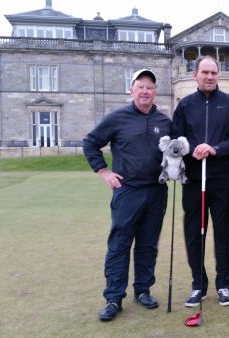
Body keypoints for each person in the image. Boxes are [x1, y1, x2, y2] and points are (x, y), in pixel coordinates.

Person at [83, 69, 171, 321]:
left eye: (150, 87)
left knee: (148, 244)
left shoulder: (164, 122)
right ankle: (113, 297)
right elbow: (90, 142)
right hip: (127, 191)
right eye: (140, 86)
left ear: (155, 92)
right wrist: (103, 171)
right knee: (120, 244)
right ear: (132, 90)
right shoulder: (117, 118)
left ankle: (143, 290)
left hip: (156, 191)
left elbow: (174, 150)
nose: (145, 91)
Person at [171, 55, 229, 307]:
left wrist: (214, 148)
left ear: (218, 75)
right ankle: (198, 285)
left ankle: (223, 284)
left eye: (214, 73)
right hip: (193, 179)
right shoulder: (185, 105)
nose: (210, 77)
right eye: (205, 72)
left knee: (223, 233)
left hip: (222, 179)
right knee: (194, 233)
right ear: (195, 75)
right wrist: (192, 149)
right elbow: (176, 138)